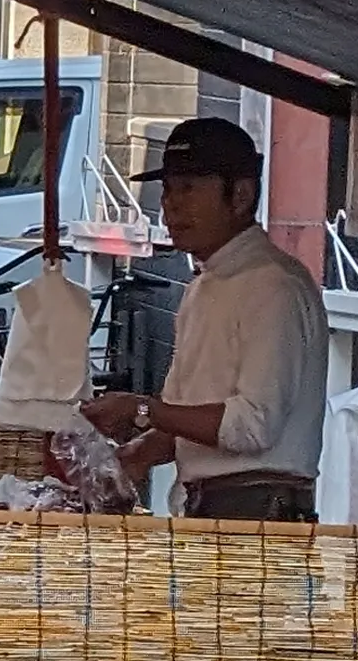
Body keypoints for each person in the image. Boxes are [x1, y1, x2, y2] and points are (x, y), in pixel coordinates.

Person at [75, 115, 330, 520]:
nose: (171, 204)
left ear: (241, 196)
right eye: (168, 189)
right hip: (206, 505)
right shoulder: (202, 287)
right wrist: (137, 453)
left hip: (259, 511)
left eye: (189, 188)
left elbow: (252, 426)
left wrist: (141, 409)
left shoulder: (274, 286)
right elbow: (189, 419)